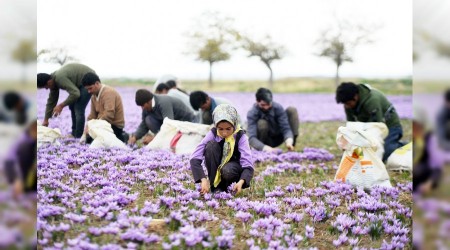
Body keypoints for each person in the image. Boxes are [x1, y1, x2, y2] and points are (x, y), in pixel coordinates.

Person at [190, 104, 254, 194]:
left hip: (234, 168)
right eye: (220, 129)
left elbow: (248, 164)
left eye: (228, 129)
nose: (224, 133)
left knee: (227, 170)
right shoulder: (213, 133)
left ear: (234, 124)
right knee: (211, 146)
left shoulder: (240, 136)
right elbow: (195, 156)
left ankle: (230, 188)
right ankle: (215, 187)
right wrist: (203, 179)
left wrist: (241, 182)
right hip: (217, 167)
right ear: (216, 126)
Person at [336, 82, 404, 162]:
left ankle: (406, 146)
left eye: (348, 103)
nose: (347, 106)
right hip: (369, 128)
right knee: (359, 152)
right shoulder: (348, 104)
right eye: (345, 104)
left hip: (390, 128)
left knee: (383, 153)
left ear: (355, 96)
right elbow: (352, 126)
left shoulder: (372, 100)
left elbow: (377, 128)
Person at [37, 63, 95, 138]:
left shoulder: (59, 78)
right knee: (72, 105)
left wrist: (61, 106)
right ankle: (74, 133)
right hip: (79, 83)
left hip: (89, 79)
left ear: (49, 82)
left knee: (78, 107)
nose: (47, 89)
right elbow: (51, 101)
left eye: (46, 87)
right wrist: (46, 119)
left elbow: (75, 94)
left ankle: (78, 136)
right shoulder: (53, 81)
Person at [128, 89, 196, 145]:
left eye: (143, 106)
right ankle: (163, 139)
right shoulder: (146, 108)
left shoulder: (163, 103)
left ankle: (165, 140)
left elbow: (170, 125)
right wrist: (135, 137)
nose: (142, 108)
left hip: (185, 122)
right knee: (148, 119)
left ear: (149, 102)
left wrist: (155, 138)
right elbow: (144, 124)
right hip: (172, 124)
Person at [247, 88, 299, 153]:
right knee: (262, 123)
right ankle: (260, 152)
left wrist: (289, 141)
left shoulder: (277, 107)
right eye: (263, 105)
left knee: (292, 110)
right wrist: (265, 148)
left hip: (278, 136)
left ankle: (291, 147)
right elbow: (251, 138)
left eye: (268, 104)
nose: (266, 107)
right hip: (263, 141)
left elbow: (286, 128)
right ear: (257, 102)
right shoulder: (252, 113)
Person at [81, 72, 126, 143]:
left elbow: (109, 114)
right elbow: (92, 115)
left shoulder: (108, 93)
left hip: (113, 125)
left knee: (98, 141)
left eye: (90, 88)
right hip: (101, 124)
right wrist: (88, 126)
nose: (89, 91)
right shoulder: (94, 96)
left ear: (97, 83)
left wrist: (94, 125)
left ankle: (123, 137)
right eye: (87, 89)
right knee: (89, 139)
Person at [412, 105, 443, 194]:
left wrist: (429, 183)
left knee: (419, 169)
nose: (414, 129)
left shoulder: (430, 138)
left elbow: (436, 166)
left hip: (423, 174)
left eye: (416, 126)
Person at [3, 120, 37, 199]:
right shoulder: (22, 142)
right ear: (32, 131)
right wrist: (16, 180)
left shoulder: (34, 140)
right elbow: (9, 161)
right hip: (21, 175)